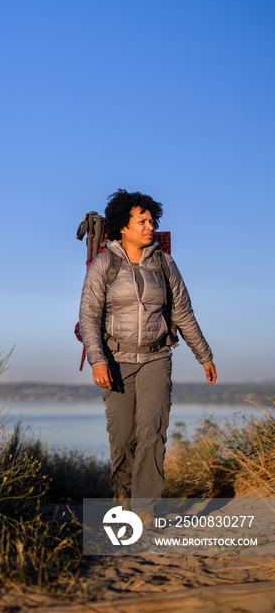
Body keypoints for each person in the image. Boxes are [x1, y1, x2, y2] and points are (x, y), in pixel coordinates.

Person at [78, 189, 217, 501]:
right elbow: (88, 316)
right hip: (115, 361)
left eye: (152, 221)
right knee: (122, 437)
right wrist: (97, 360)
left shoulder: (165, 264)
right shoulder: (104, 264)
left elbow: (183, 313)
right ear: (123, 227)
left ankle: (145, 509)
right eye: (142, 221)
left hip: (157, 358)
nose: (150, 226)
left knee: (152, 434)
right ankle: (122, 499)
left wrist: (204, 356)